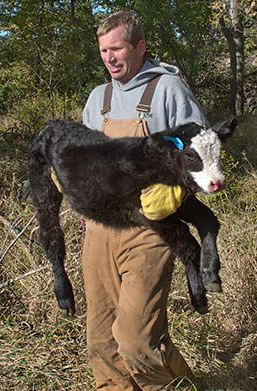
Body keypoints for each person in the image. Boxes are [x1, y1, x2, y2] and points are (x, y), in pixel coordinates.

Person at [80, 10, 209, 391]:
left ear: (139, 46)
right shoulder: (97, 99)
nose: (110, 58)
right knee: (101, 342)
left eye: (117, 48)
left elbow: (203, 155)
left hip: (150, 232)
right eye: (104, 50)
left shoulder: (168, 90)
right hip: (100, 232)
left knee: (136, 340)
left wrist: (174, 191)